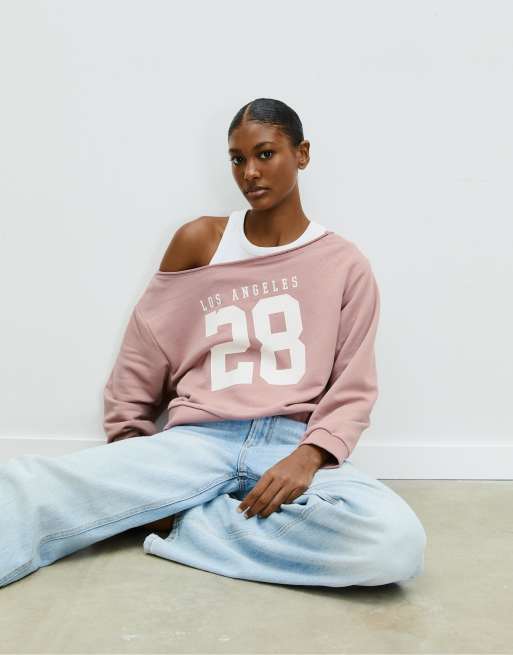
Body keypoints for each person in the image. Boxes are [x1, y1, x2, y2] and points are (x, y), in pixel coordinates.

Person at [0, 98, 427, 589]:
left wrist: (310, 456)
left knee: (394, 543)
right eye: (237, 159)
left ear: (302, 154)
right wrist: (130, 448)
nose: (250, 172)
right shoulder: (200, 242)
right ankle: (171, 510)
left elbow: (353, 386)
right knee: (32, 485)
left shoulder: (344, 264)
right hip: (196, 441)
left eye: (265, 154)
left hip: (289, 443)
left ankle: (186, 522)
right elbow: (144, 353)